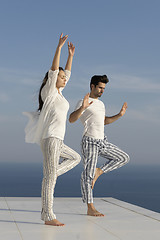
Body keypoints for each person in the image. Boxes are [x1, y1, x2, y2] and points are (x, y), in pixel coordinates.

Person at [23, 33, 81, 226]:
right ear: (53, 78)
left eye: (65, 78)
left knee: (74, 158)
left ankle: (52, 172)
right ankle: (48, 216)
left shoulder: (59, 93)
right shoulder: (49, 92)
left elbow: (67, 74)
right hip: (51, 138)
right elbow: (54, 70)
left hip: (58, 139)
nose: (64, 79)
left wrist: (71, 56)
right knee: (50, 180)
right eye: (61, 77)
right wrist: (59, 48)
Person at [69, 75, 130, 217]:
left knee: (123, 158)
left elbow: (104, 121)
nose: (102, 91)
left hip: (102, 141)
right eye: (100, 88)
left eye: (104, 88)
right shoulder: (83, 101)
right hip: (89, 141)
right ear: (92, 86)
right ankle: (90, 207)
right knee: (87, 175)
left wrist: (119, 115)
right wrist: (82, 108)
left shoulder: (101, 104)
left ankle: (99, 171)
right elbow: (71, 119)